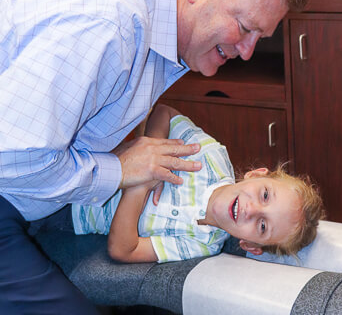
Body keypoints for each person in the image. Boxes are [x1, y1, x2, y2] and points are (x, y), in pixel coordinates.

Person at [0, 0, 307, 313]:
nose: (247, 52)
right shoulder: (109, 26)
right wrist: (123, 171)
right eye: (245, 28)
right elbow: (13, 159)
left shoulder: (159, 32)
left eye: (258, 39)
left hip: (31, 196)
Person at [35, 104, 324, 263]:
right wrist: (157, 151)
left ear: (250, 245)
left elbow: (123, 250)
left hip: (69, 217)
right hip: (83, 162)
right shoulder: (210, 156)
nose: (251, 210)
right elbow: (165, 112)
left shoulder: (202, 244)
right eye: (264, 195)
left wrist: (141, 185)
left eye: (262, 226)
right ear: (256, 174)